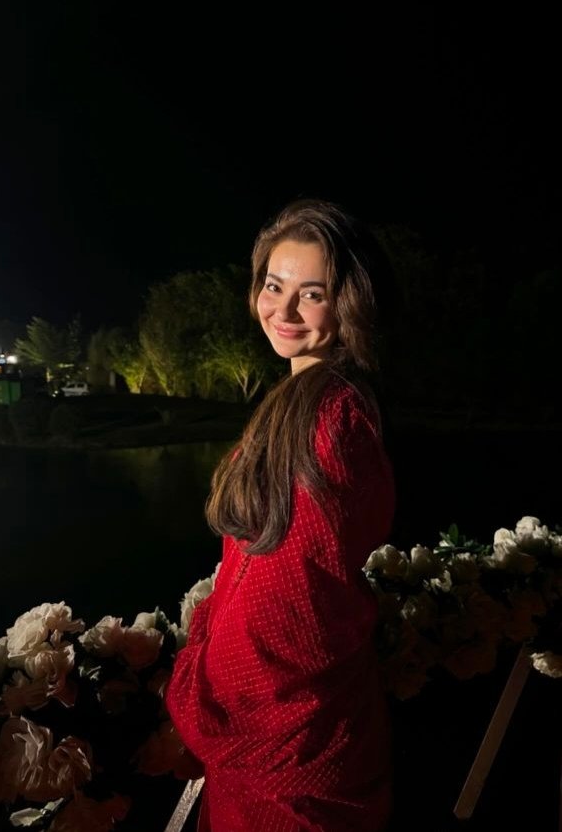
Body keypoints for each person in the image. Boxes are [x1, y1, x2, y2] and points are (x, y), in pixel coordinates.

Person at [165, 199, 397, 831]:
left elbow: (291, 609)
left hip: (285, 755)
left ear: (349, 304)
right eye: (274, 284)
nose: (284, 310)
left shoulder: (332, 422)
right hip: (290, 738)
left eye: (312, 293)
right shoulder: (303, 401)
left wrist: (196, 698)